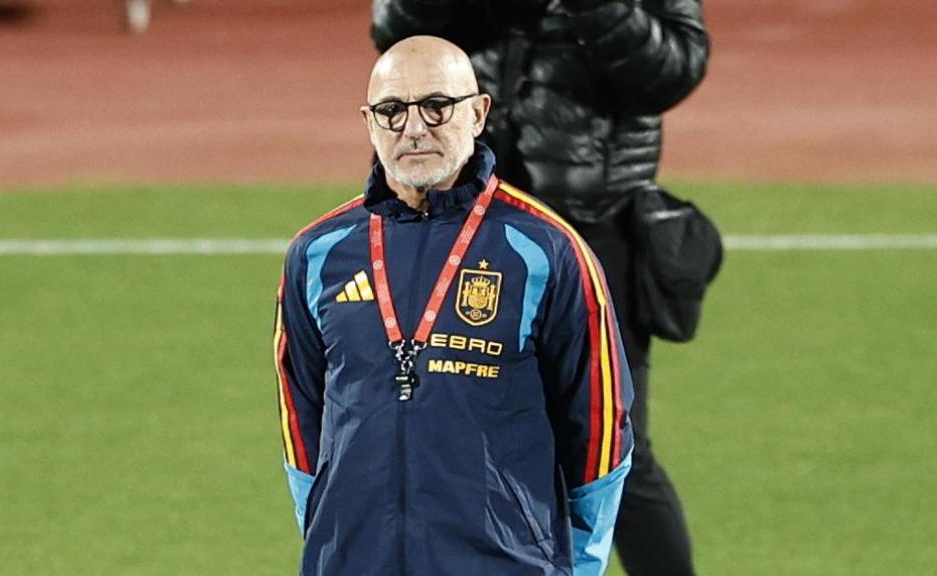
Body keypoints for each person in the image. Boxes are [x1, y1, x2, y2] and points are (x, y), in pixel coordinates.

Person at [371, 3, 712, 575]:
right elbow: (396, 32)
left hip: (595, 222)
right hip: (464, 215)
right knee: (443, 426)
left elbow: (670, 72)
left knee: (614, 439)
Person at [274, 36, 633, 576]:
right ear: (369, 123)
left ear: (478, 113)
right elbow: (301, 421)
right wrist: (335, 537)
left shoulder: (547, 250)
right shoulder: (317, 254)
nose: (414, 128)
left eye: (437, 106)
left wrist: (578, 566)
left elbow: (600, 430)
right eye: (392, 111)